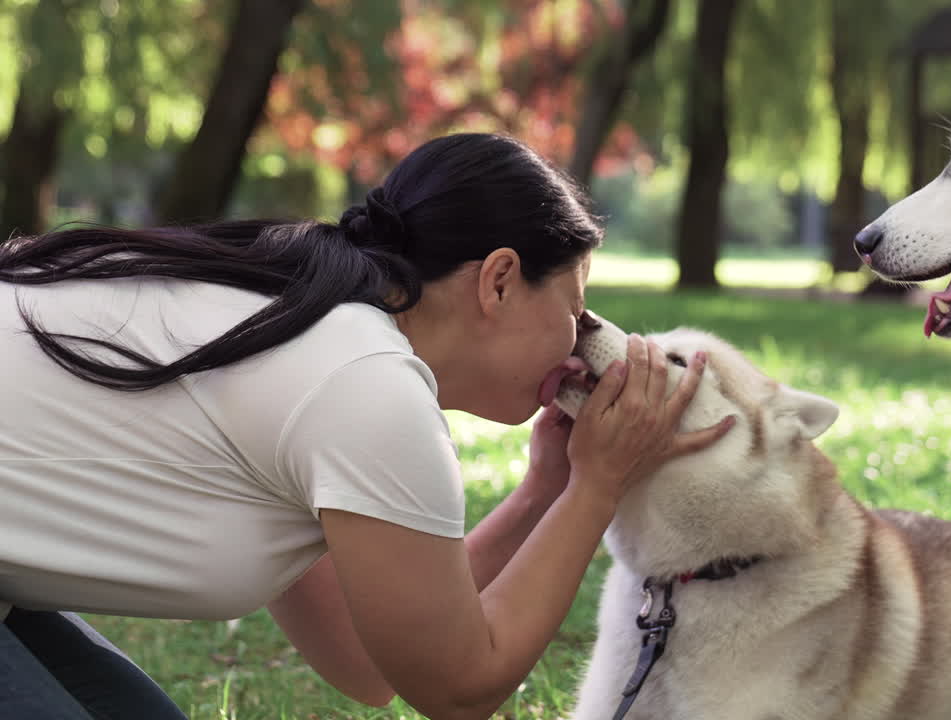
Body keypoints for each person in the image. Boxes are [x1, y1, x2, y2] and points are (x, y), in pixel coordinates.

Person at [0, 132, 734, 720]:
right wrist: (597, 488)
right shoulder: (364, 383)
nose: (579, 341)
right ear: (499, 280)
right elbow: (458, 688)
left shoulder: (307, 319)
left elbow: (365, 654)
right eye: (574, 310)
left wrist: (549, 486)